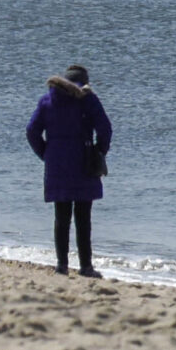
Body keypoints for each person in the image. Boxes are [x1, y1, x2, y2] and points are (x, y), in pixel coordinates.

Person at [27, 63, 112, 276]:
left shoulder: (48, 101)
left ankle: (62, 266)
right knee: (83, 218)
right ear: (84, 82)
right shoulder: (88, 99)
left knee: (61, 216)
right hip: (83, 161)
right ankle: (85, 267)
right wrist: (99, 151)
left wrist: (46, 153)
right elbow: (105, 128)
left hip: (56, 163)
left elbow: (31, 131)